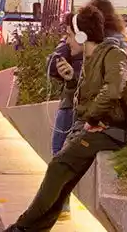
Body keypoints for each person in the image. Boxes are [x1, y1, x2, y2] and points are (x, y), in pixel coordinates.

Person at [7, 1, 127, 232]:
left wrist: (91, 120)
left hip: (111, 130)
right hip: (100, 127)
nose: (65, 41)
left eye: (68, 35)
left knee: (59, 165)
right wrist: (71, 80)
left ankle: (23, 226)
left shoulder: (113, 55)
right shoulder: (92, 59)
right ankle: (34, 227)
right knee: (63, 177)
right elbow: (88, 96)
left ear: (82, 36)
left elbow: (114, 89)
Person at [47, 16, 84, 156]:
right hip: (72, 106)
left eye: (69, 35)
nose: (67, 41)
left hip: (73, 110)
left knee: (59, 154)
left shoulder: (96, 59)